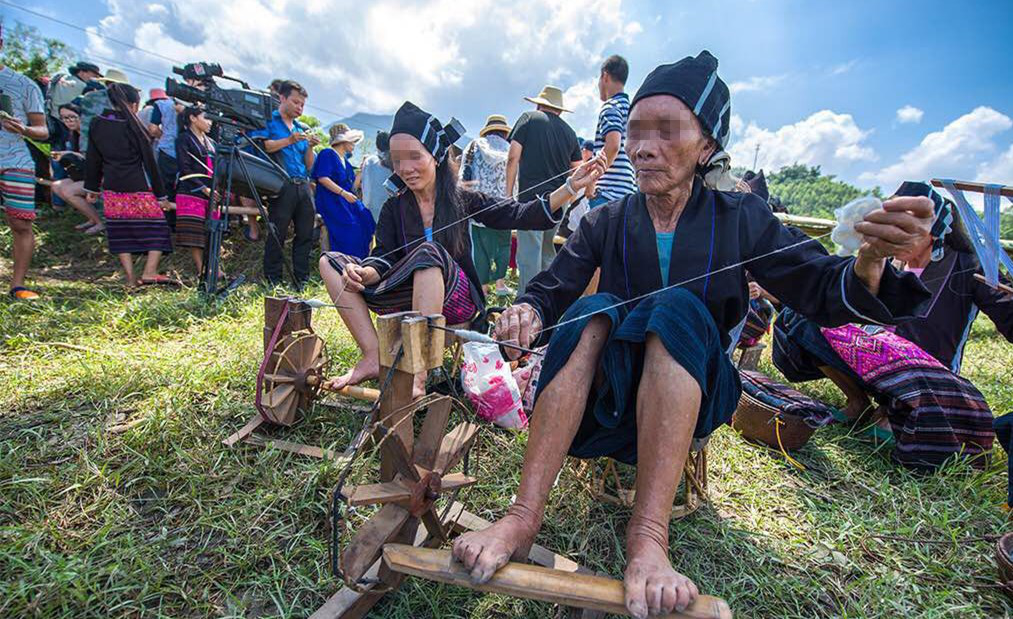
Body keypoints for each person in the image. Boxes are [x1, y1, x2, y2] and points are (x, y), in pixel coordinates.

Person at [450, 51, 937, 619]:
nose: (642, 147)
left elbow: (820, 284)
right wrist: (528, 312)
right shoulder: (608, 220)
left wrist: (870, 260)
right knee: (591, 311)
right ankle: (522, 514)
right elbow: (555, 286)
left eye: (666, 131)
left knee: (677, 309)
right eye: (634, 133)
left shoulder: (742, 217)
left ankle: (648, 538)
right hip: (610, 397)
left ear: (707, 144)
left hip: (698, 390)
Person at [319, 101, 603, 398]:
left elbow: (520, 213)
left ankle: (418, 369)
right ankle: (372, 354)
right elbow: (385, 256)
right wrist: (364, 272)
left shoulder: (462, 199)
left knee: (428, 254)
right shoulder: (394, 207)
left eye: (414, 157)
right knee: (330, 262)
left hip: (458, 300)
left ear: (436, 156)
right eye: (398, 159)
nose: (405, 168)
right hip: (408, 296)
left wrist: (570, 187)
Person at [773, 181, 1013, 471]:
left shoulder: (969, 265)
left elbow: (1007, 314)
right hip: (879, 355)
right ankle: (859, 402)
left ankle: (895, 409)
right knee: (800, 315)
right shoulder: (888, 262)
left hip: (926, 370)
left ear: (931, 228)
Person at [84, 82, 173, 287]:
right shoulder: (133, 125)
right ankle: (150, 271)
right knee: (158, 228)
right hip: (137, 186)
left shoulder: (97, 123)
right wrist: (161, 196)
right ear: (133, 104)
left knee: (120, 231)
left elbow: (93, 159)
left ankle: (131, 279)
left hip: (112, 188)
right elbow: (150, 163)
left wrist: (92, 188)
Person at [507, 85, 582, 294]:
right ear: (559, 110)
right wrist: (569, 198)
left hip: (531, 199)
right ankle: (545, 303)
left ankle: (526, 305)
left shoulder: (529, 118)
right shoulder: (570, 132)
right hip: (559, 200)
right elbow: (577, 170)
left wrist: (507, 196)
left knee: (529, 254)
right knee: (548, 253)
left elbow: (513, 157)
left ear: (540, 104)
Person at [251, 80, 319, 289]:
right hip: (280, 184)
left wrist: (308, 147)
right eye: (296, 102)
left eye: (302, 105)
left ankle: (302, 279)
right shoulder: (270, 121)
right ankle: (273, 279)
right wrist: (289, 140)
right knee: (276, 232)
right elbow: (264, 146)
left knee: (306, 233)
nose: (299, 108)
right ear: (282, 98)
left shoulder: (301, 128)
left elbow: (309, 164)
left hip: (303, 184)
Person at [0, 29, 49, 300]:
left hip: (15, 159)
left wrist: (24, 129)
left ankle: (17, 285)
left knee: (20, 224)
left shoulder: (23, 84)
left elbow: (43, 131)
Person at [460, 114, 513, 298]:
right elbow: (516, 179)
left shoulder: (474, 146)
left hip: (478, 205)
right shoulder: (510, 149)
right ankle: (500, 284)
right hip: (503, 207)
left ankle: (482, 287)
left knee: (480, 249)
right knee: (504, 246)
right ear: (504, 133)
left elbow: (462, 176)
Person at [312, 123, 375, 257]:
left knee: (366, 219)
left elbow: (352, 186)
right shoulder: (327, 154)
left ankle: (362, 258)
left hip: (346, 200)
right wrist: (343, 193)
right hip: (332, 200)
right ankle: (344, 260)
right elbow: (323, 178)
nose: (354, 144)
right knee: (350, 226)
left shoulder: (345, 162)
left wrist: (362, 170)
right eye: (351, 140)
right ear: (342, 141)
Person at [173, 106, 219, 275]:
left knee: (212, 231)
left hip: (212, 192)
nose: (210, 122)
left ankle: (215, 267)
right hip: (191, 190)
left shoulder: (212, 143)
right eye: (206, 118)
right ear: (193, 118)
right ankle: (202, 269)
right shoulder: (183, 139)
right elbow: (184, 168)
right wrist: (203, 187)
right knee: (196, 235)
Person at [590, 54, 636, 208]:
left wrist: (592, 181)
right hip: (629, 193)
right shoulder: (633, 111)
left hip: (607, 193)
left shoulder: (611, 106)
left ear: (605, 76)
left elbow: (613, 145)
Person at [50, 103, 103, 234]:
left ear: (81, 117)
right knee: (56, 185)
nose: (68, 121)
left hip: (102, 177)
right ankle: (92, 218)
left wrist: (70, 154)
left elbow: (96, 159)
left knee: (69, 190)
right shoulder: (73, 135)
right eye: (64, 118)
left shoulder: (91, 133)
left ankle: (101, 223)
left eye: (72, 117)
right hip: (86, 176)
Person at [356, 130, 392, 223]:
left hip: (372, 206)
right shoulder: (394, 159)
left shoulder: (370, 160)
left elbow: (366, 185)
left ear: (377, 145)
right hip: (391, 205)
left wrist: (365, 204)